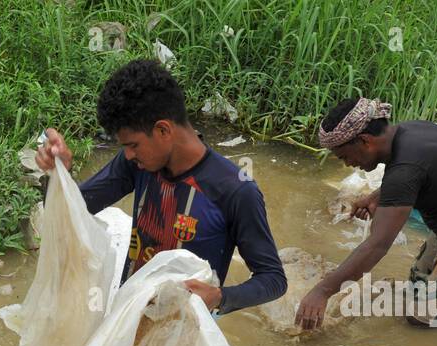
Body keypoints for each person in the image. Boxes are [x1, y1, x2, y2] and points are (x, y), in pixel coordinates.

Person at [35, 58, 286, 316]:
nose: (129, 155)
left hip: (185, 333)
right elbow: (75, 212)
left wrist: (220, 297)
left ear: (163, 130)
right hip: (128, 318)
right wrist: (58, 175)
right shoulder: (138, 164)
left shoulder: (235, 190)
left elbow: (273, 279)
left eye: (133, 145)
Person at [295, 97, 437, 330]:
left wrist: (322, 291)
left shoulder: (405, 170)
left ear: (364, 140)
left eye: (344, 156)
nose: (348, 164)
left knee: (423, 319)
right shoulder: (409, 130)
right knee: (414, 290)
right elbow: (421, 171)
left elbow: (377, 246)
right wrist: (377, 196)